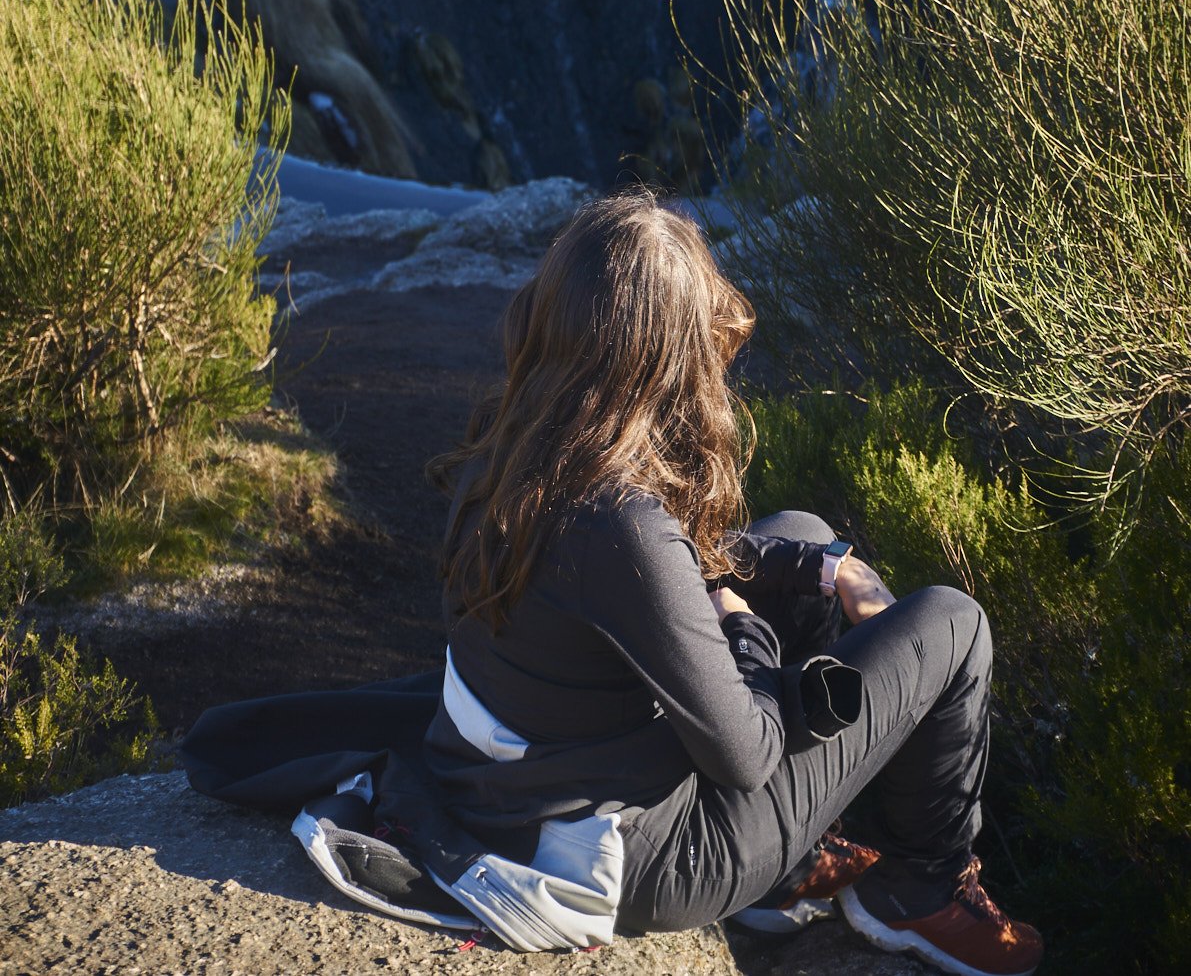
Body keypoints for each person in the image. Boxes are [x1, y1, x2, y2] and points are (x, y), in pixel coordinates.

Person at [420, 190, 1043, 976]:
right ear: (667, 354)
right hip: (638, 853)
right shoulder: (618, 523)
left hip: (526, 789)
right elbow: (745, 754)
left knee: (805, 533)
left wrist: (815, 568)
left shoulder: (517, 449)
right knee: (951, 622)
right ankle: (918, 891)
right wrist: (739, 618)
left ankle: (791, 860)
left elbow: (661, 568)